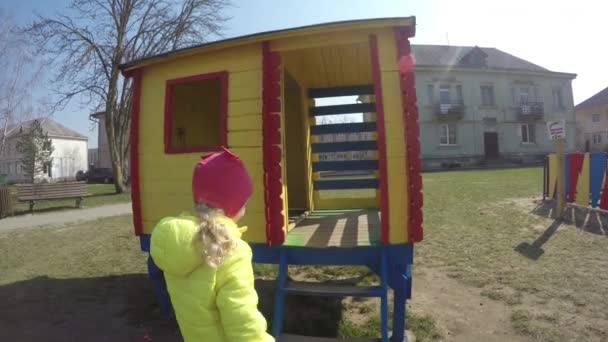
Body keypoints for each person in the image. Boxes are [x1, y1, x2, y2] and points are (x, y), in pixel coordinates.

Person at [150, 148, 273, 342]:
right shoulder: (231, 250)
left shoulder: (176, 243)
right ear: (232, 205)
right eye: (244, 201)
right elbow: (243, 321)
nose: (246, 208)